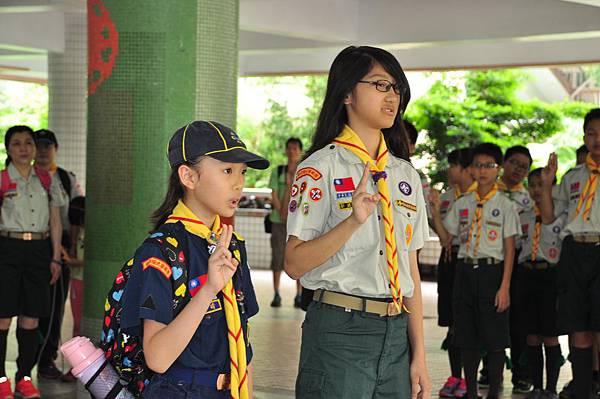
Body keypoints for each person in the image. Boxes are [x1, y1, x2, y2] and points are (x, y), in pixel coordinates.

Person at [285, 45, 431, 398]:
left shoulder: (403, 174)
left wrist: (420, 356)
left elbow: (408, 266)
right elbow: (293, 263)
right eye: (380, 85)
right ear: (347, 93)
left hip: (396, 334)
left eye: (397, 88)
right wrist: (352, 222)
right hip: (340, 330)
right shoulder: (319, 169)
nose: (392, 96)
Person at [120, 120, 268, 399]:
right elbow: (158, 358)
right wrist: (209, 289)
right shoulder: (161, 252)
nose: (239, 183)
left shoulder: (231, 244)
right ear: (188, 177)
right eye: (227, 170)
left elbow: (242, 340)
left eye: (243, 172)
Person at [432, 142, 520, 399]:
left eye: (489, 166)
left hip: (492, 273)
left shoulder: (505, 205)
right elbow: (447, 239)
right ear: (471, 169)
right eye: (478, 165)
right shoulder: (463, 203)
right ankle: (470, 392)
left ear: (498, 169)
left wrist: (504, 287)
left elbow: (510, 248)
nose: (482, 171)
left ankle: (494, 392)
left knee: (495, 339)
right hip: (465, 271)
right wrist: (436, 212)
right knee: (466, 335)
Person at [540, 108, 600, 399]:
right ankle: (582, 389)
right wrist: (548, 185)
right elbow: (550, 217)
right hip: (574, 251)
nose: (597, 139)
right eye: (591, 133)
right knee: (578, 324)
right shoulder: (573, 176)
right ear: (585, 136)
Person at [0, 125, 64, 399]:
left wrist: (55, 256)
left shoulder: (46, 180)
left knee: (31, 318)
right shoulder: (2, 179)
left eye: (28, 143)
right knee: (3, 318)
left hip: (39, 250)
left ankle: (25, 377)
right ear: (8, 148)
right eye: (17, 143)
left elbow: (55, 219)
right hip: (7, 248)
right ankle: (1, 379)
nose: (24, 148)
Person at [33, 128, 84, 380]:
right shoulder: (22, 176)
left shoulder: (65, 178)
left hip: (59, 248)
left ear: (55, 149)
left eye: (47, 146)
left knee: (53, 308)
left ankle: (46, 360)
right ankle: (25, 362)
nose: (42, 150)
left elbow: (78, 215)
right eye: (38, 145)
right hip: (27, 247)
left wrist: (70, 247)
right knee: (28, 308)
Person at [429, 147, 475, 398]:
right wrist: (434, 210)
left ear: (466, 168)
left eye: (453, 165)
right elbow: (443, 235)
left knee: (469, 322)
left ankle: (472, 378)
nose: (450, 170)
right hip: (449, 259)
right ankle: (455, 376)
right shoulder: (447, 197)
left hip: (471, 260)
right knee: (452, 320)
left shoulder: (482, 196)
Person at [517, 168, 565, 399]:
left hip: (550, 277)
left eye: (542, 184)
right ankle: (537, 387)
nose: (536, 189)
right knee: (532, 336)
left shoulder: (558, 215)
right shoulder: (523, 215)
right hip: (527, 275)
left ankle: (552, 389)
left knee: (550, 335)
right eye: (532, 184)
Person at [494, 145, 535, 395]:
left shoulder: (528, 200)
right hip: (490, 260)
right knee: (490, 317)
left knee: (519, 321)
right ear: (504, 164)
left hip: (518, 262)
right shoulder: (487, 192)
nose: (518, 169)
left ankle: (521, 374)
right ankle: (490, 370)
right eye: (514, 163)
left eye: (524, 167)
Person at [268, 137, 303, 308]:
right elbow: (273, 194)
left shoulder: (305, 171)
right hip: (278, 221)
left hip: (299, 223)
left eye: (295, 148)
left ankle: (299, 295)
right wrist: (282, 212)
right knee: (277, 256)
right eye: (289, 148)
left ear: (300, 151)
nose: (292, 151)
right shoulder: (278, 171)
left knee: (301, 256)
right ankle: (276, 293)